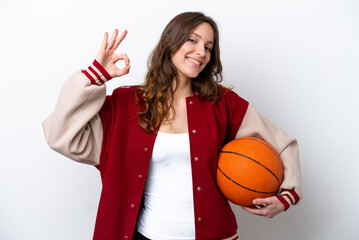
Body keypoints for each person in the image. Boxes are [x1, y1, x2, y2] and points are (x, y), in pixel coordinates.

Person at [43, 12, 301, 240]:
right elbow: (61, 134)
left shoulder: (222, 103)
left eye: (209, 47)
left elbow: (281, 143)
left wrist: (287, 196)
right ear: (169, 41)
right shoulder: (127, 103)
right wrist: (96, 74)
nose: (201, 52)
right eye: (193, 40)